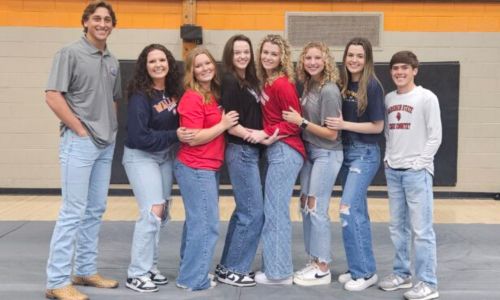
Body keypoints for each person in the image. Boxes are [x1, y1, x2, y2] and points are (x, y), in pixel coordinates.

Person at [44, 1, 121, 300]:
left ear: (112, 25)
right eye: (97, 18)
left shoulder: (112, 59)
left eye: (107, 20)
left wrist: (109, 129)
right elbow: (52, 96)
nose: (102, 23)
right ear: (86, 22)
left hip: (105, 143)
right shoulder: (69, 53)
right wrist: (79, 129)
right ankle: (57, 280)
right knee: (72, 211)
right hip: (79, 142)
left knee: (95, 210)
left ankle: (86, 269)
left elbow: (114, 99)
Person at [173, 46, 239, 291]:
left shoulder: (212, 94)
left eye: (207, 63)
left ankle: (188, 272)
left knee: (196, 223)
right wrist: (222, 125)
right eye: (198, 65)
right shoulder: (192, 97)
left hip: (207, 167)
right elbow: (192, 138)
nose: (204, 69)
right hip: (195, 166)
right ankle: (193, 279)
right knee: (207, 224)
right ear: (191, 71)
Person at [215, 34, 278, 287]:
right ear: (230, 55)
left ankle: (226, 266)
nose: (242, 56)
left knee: (245, 211)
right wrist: (257, 138)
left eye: (246, 51)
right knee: (253, 213)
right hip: (241, 150)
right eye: (237, 52)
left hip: (250, 152)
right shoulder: (230, 80)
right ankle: (234, 268)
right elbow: (230, 125)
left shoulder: (249, 80)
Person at [123, 44, 186, 293]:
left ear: (169, 62)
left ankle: (150, 267)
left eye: (162, 60)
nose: (158, 64)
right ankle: (136, 273)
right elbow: (139, 137)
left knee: (161, 214)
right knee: (151, 211)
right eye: (152, 61)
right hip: (141, 156)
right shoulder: (141, 95)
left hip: (164, 155)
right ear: (145, 66)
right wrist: (175, 135)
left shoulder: (172, 91)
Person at [378, 51, 441, 300]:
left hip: (417, 173)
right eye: (395, 68)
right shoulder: (389, 99)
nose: (399, 72)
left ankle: (428, 282)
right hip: (393, 171)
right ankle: (402, 274)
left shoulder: (427, 97)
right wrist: (388, 159)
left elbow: (435, 135)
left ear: (415, 70)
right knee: (397, 228)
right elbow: (388, 133)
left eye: (405, 68)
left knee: (422, 230)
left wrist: (419, 164)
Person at [325, 37, 384, 291]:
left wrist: (344, 125)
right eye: (350, 55)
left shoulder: (372, 86)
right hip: (346, 152)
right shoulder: (344, 83)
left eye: (360, 56)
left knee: (348, 210)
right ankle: (358, 266)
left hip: (365, 153)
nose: (354, 60)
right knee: (356, 211)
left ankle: (366, 272)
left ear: (367, 59)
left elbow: (377, 126)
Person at [282, 41, 343, 286]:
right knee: (306, 206)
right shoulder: (309, 84)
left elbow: (332, 133)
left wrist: (301, 122)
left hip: (327, 153)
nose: (313, 62)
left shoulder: (329, 90)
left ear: (326, 61)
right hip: (310, 153)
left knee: (317, 208)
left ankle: (323, 267)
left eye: (318, 58)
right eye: (308, 58)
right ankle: (313, 259)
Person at [249, 34, 305, 285]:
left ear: (282, 57)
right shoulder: (266, 82)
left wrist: (270, 134)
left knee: (276, 212)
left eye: (274, 53)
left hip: (286, 150)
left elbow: (294, 123)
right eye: (265, 52)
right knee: (272, 210)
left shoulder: (282, 84)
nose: (268, 57)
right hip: (275, 150)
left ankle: (280, 272)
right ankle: (274, 265)